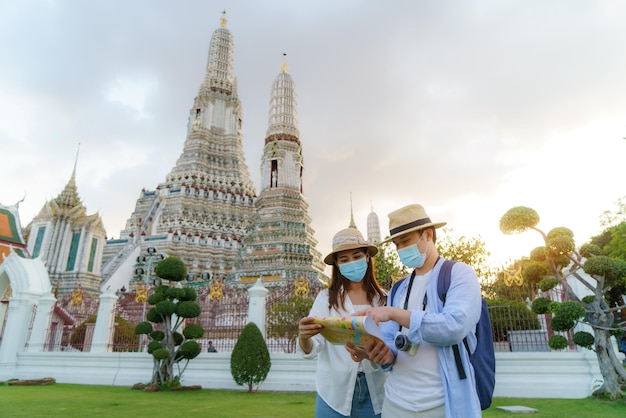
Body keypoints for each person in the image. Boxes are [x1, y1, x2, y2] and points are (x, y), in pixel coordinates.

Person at [359, 204, 482, 418]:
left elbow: (454, 327)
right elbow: (390, 340)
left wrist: (394, 313)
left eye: (405, 241)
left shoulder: (458, 274)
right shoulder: (399, 289)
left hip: (442, 403)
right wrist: (380, 353)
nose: (400, 250)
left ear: (428, 234)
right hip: (396, 402)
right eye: (396, 244)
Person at [299, 227, 387, 418]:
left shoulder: (385, 300)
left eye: (356, 256)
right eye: (344, 260)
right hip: (334, 393)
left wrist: (370, 354)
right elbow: (312, 347)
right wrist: (304, 337)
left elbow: (393, 347)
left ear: (367, 257)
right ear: (337, 265)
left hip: (377, 392)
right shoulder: (326, 299)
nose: (351, 263)